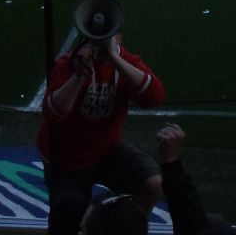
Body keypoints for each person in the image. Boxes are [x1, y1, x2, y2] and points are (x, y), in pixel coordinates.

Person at [37, 30, 165, 217]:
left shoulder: (126, 63)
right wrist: (79, 76)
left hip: (104, 149)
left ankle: (129, 228)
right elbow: (53, 114)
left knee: (152, 184)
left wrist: (115, 59)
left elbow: (155, 96)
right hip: (64, 156)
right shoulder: (69, 64)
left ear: (119, 39)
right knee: (71, 210)